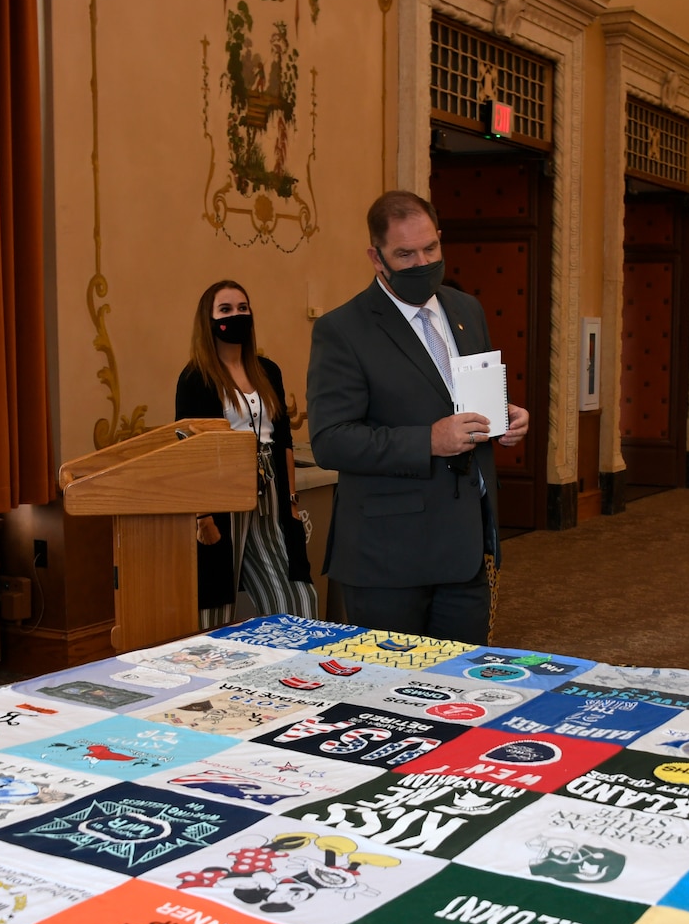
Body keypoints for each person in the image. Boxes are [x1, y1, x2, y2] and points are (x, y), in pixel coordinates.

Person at [306, 190, 529, 644]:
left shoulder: (466, 309)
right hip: (389, 558)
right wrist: (427, 440)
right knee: (391, 695)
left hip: (466, 548)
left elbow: (464, 397)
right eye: (405, 254)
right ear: (376, 257)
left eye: (430, 249)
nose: (421, 262)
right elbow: (331, 440)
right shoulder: (343, 329)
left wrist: (504, 419)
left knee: (461, 688)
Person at [176, 279, 317, 628]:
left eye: (243, 308)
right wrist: (202, 516)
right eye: (225, 310)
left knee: (298, 598)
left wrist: (293, 502)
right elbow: (190, 451)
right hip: (222, 491)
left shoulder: (267, 370)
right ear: (208, 320)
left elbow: (283, 438)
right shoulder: (196, 377)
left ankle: (296, 670)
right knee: (214, 602)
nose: (236, 315)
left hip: (271, 490)